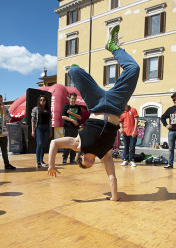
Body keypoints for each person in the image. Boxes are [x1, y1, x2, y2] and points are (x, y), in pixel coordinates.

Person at [48, 25, 140, 201]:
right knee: (134, 70)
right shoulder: (105, 155)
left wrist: (51, 165)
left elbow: (54, 143)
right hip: (116, 104)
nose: (89, 166)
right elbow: (112, 176)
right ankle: (114, 47)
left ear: (81, 158)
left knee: (73, 70)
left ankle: (78, 70)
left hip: (96, 103)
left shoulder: (77, 144)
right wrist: (114, 197)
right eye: (88, 167)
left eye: (85, 165)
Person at [31, 95, 52, 168]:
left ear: (46, 101)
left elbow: (50, 121)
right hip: (39, 128)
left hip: (46, 128)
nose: (42, 101)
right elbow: (33, 120)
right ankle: (38, 161)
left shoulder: (48, 110)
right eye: (41, 100)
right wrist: (33, 131)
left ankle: (41, 160)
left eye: (44, 100)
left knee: (44, 145)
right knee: (39, 143)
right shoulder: (35, 109)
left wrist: (51, 131)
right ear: (39, 101)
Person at [62, 92, 82, 164]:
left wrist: (71, 113)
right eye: (72, 98)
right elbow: (63, 116)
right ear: (69, 99)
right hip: (68, 127)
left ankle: (72, 158)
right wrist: (72, 120)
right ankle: (64, 158)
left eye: (75, 99)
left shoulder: (78, 107)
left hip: (75, 128)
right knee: (67, 142)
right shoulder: (66, 106)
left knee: (74, 143)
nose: (73, 100)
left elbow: (80, 117)